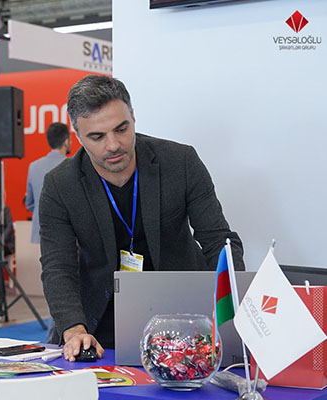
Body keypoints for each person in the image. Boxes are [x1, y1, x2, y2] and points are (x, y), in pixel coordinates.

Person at [39, 75, 245, 362]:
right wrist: (74, 329)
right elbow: (57, 266)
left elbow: (217, 240)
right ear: (78, 136)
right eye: (97, 137)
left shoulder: (181, 162)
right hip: (98, 327)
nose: (113, 145)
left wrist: (231, 309)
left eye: (121, 129)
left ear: (133, 117)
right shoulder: (60, 185)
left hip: (184, 320)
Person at [25, 122, 71, 244]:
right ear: (66, 141)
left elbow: (29, 203)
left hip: (40, 233)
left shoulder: (33, 166)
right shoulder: (72, 166)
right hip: (67, 233)